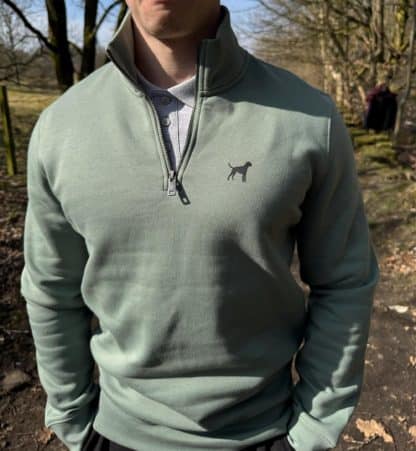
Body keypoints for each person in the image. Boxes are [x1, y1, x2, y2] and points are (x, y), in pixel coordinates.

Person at [20, 1, 380, 451]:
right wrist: (74, 421)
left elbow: (345, 281)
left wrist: (312, 430)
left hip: (266, 433)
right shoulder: (60, 128)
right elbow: (51, 289)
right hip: (112, 435)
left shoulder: (310, 119)